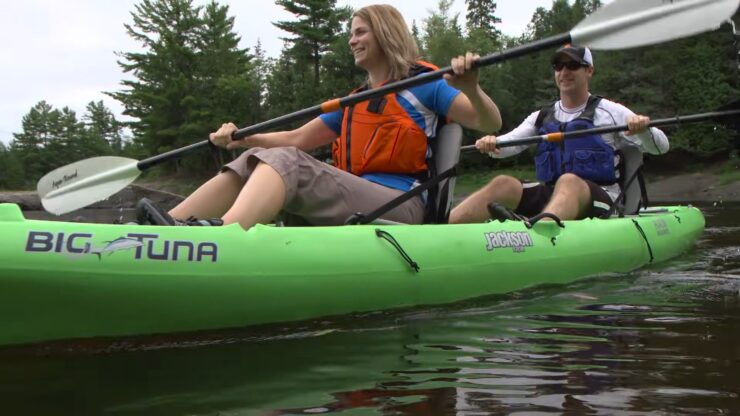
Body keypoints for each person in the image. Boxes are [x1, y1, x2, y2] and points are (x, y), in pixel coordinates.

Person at [138, 4, 501, 229]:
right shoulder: (355, 101)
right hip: (359, 199)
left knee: (289, 164)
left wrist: (470, 86)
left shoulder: (426, 84)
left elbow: (489, 123)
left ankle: (220, 239)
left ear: (385, 34)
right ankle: (166, 228)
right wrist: (241, 138)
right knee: (253, 159)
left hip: (401, 205)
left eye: (360, 32)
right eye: (350, 34)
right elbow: (295, 139)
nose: (352, 40)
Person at [448, 45, 669, 224]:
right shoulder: (542, 116)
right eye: (558, 66)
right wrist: (491, 143)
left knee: (569, 182)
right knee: (503, 183)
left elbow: (661, 147)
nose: (564, 72)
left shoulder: (611, 112)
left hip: (602, 201)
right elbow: (508, 145)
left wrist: (644, 130)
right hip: (554, 198)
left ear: (589, 70)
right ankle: (443, 228)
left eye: (573, 65)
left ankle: (539, 235)